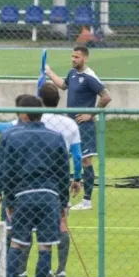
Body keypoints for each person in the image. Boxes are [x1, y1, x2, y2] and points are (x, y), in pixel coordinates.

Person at [0, 83, 81, 277]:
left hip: (21, 192)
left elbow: (4, 164)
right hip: (51, 193)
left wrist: (0, 192)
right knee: (49, 240)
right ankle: (56, 274)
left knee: (16, 238)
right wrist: (72, 187)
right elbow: (68, 163)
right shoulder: (66, 127)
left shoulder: (14, 131)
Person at [0, 95, 70, 277]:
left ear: (24, 114)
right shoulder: (56, 137)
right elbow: (63, 172)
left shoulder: (11, 136)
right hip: (49, 197)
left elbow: (6, 171)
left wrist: (8, 201)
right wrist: (63, 203)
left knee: (17, 243)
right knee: (45, 245)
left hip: (23, 196)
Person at [45, 46, 112, 211]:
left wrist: (91, 114)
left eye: (77, 57)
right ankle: (65, 199)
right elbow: (63, 85)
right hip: (69, 125)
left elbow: (106, 96)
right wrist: (49, 72)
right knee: (63, 160)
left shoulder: (89, 77)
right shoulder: (72, 73)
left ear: (85, 59)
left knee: (86, 160)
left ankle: (87, 201)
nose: (73, 59)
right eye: (72, 56)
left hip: (84, 126)